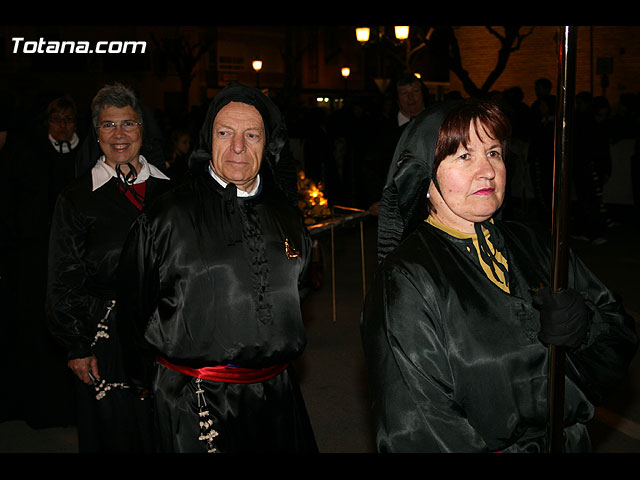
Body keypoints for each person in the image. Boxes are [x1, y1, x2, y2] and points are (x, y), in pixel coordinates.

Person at [361, 98, 638, 452]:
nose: (488, 171)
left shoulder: (534, 243)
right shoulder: (406, 280)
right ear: (425, 179)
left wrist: (585, 326)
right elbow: (420, 428)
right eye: (464, 156)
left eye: (493, 152)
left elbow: (620, 335)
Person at [116, 82, 317, 453]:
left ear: (267, 144)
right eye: (225, 133)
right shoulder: (165, 216)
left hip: (277, 397)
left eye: (251, 134)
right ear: (209, 139)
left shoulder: (287, 214)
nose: (238, 146)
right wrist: (147, 382)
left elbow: (300, 287)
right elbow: (133, 307)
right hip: (194, 401)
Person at [46, 83, 172, 452]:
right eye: (107, 125)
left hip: (168, 333)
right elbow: (63, 273)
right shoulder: (77, 197)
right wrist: (76, 345)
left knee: (165, 431)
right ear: (96, 133)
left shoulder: (173, 192)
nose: (119, 135)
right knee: (115, 433)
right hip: (105, 338)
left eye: (128, 124)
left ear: (142, 130)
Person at [363, 73, 427, 214]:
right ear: (397, 98)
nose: (411, 98)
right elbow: (371, 167)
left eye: (415, 91)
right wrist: (375, 199)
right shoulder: (380, 130)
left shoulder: (437, 125)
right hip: (393, 209)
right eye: (404, 93)